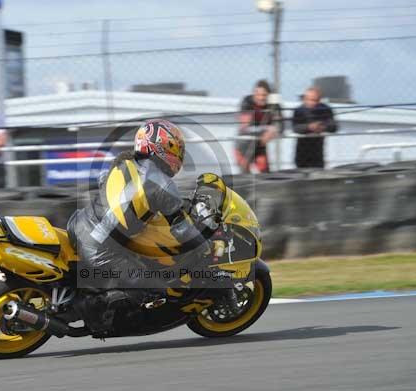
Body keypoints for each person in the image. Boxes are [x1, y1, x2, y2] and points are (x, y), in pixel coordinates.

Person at [66, 119, 212, 336]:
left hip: (78, 225)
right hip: (100, 249)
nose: (179, 155)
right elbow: (182, 229)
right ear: (163, 148)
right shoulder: (162, 184)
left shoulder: (123, 162)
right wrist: (203, 246)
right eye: (177, 149)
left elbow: (118, 193)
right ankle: (96, 314)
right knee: (155, 289)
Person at [235, 80, 283, 173]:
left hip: (260, 146)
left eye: (264, 95)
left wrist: (274, 129)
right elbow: (245, 128)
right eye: (257, 94)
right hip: (244, 146)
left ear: (269, 95)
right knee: (245, 179)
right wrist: (268, 129)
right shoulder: (247, 102)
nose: (261, 98)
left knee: (265, 175)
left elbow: (281, 126)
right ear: (253, 93)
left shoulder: (273, 105)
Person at [292, 87, 337, 168]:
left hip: (318, 152)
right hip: (302, 151)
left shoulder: (325, 109)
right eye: (311, 100)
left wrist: (322, 127)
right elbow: (296, 128)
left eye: (316, 100)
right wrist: (309, 127)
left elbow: (334, 126)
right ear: (305, 99)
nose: (314, 103)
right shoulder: (299, 110)